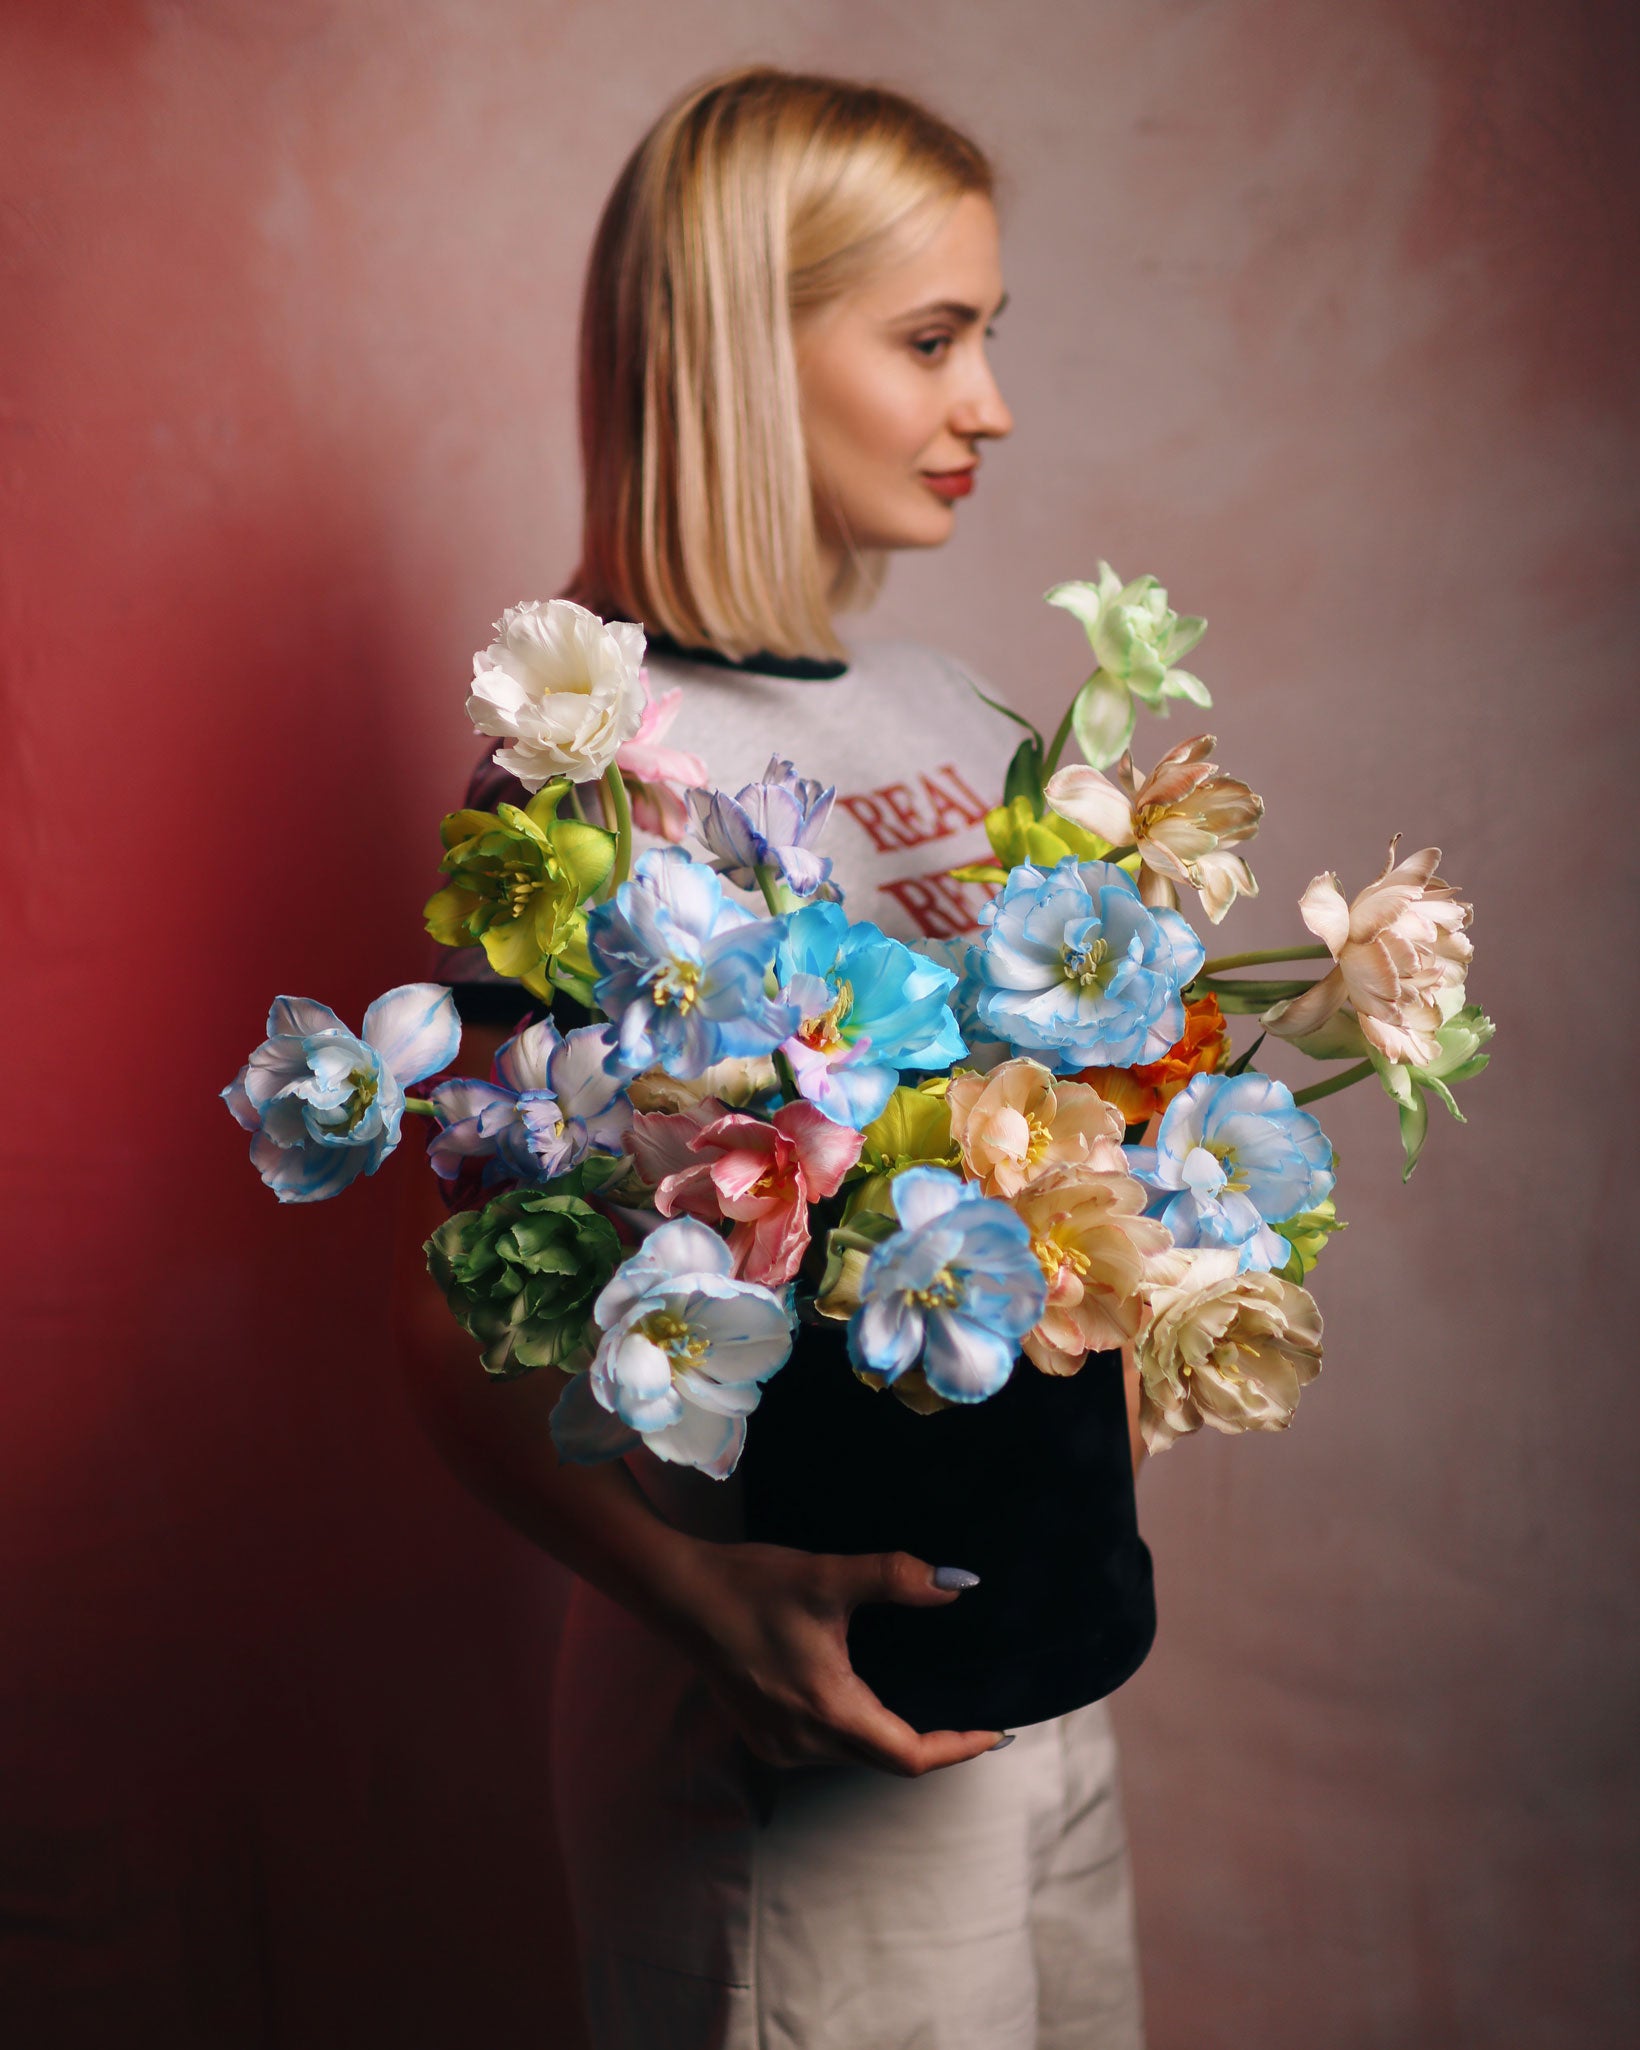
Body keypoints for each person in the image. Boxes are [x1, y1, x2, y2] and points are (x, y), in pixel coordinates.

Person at [396, 66, 1147, 2050]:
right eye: (933, 339)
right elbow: (448, 1311)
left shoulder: (952, 708)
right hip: (785, 1716)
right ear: (744, 345)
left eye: (985, 335)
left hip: (1038, 1669)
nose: (990, 403)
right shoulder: (597, 769)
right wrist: (708, 1605)